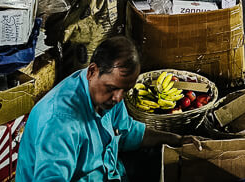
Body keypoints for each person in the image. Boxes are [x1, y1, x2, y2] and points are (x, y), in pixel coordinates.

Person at [15, 37, 182, 182]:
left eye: (125, 90)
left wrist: (178, 140)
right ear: (92, 71)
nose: (118, 98)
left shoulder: (107, 92)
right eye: (111, 88)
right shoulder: (60, 123)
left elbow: (127, 132)